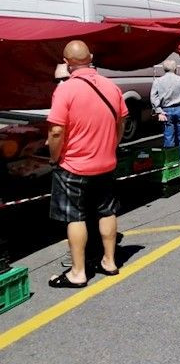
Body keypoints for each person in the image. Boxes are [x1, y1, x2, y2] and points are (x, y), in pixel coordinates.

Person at [47, 40, 127, 288]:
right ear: (91, 57)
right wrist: (110, 146)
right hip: (106, 163)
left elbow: (56, 131)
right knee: (107, 210)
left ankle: (78, 272)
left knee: (75, 216)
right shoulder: (111, 86)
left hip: (74, 164)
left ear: (66, 62)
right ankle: (109, 261)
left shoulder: (65, 90)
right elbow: (121, 122)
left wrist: (54, 157)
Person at [150, 58, 180, 165]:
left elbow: (153, 97)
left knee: (168, 136)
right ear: (176, 68)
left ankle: (171, 160)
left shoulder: (158, 81)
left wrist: (158, 111)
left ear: (163, 69)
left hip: (166, 110)